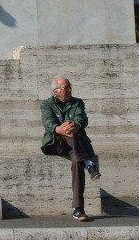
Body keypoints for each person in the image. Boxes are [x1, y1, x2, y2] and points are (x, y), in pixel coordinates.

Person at [40, 75, 100, 221]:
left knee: (77, 162)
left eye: (69, 87)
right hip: (56, 144)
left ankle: (78, 209)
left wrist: (75, 126)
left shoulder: (77, 102)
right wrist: (60, 129)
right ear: (55, 91)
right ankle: (90, 164)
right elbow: (48, 123)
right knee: (69, 133)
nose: (68, 90)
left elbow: (82, 119)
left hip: (75, 147)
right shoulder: (46, 104)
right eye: (64, 88)